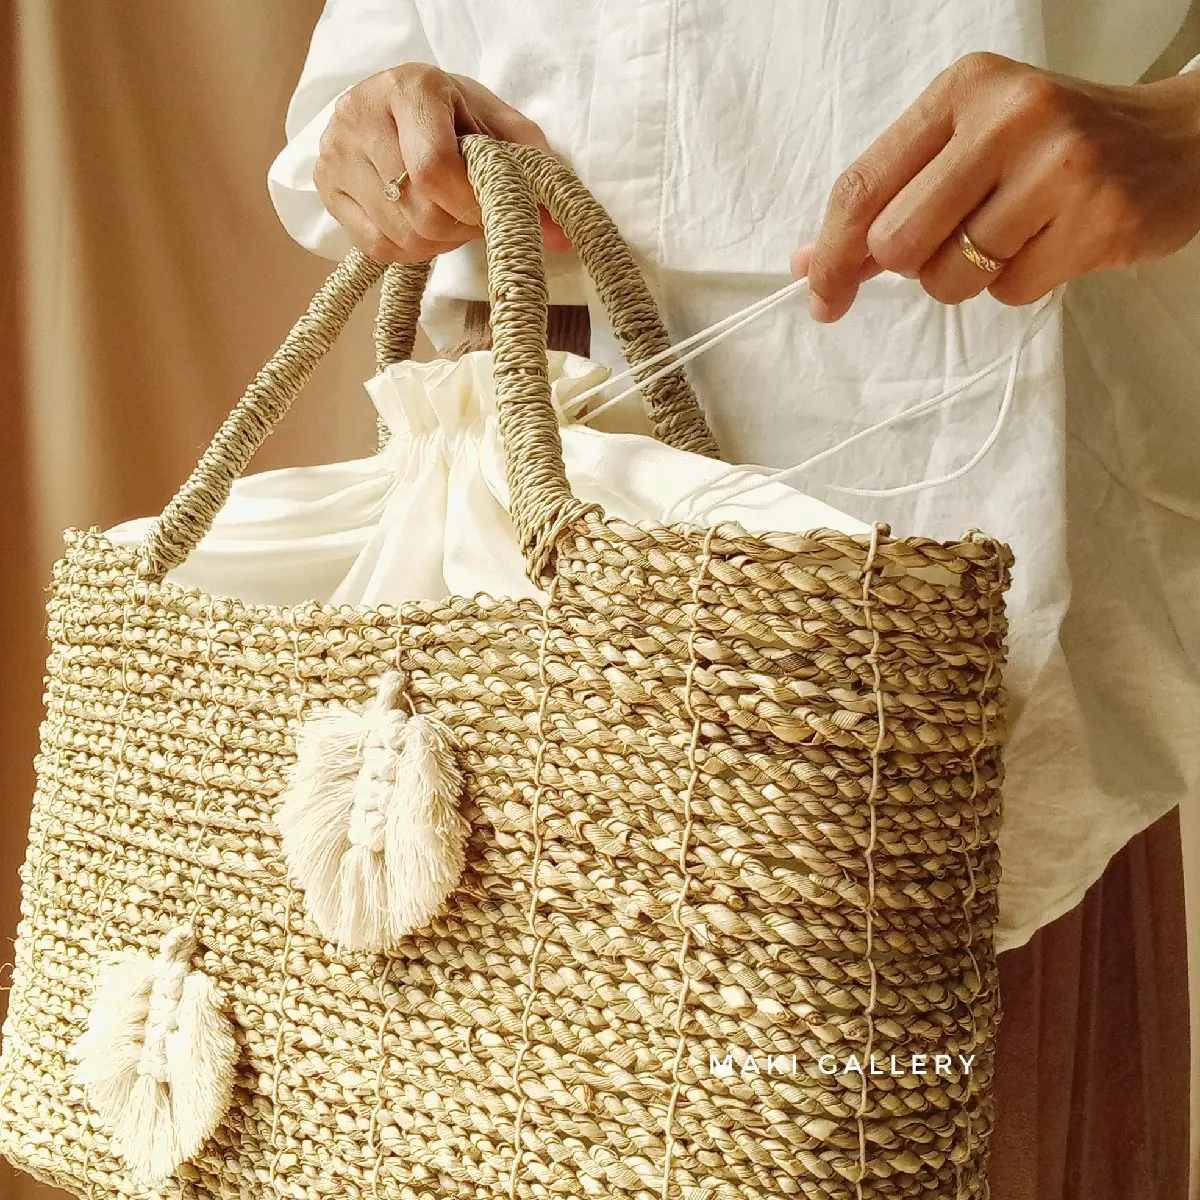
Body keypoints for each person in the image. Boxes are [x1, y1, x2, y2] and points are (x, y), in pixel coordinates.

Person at [269, 5, 1200, 1187]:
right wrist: (368, 133)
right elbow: (355, 96)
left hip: (951, 468)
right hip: (501, 513)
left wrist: (1186, 130)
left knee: (911, 1118)